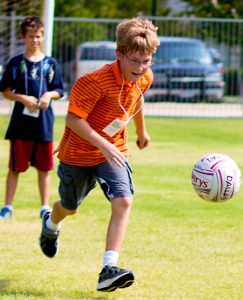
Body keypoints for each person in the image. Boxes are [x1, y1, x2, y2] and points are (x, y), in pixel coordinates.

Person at [39, 18, 160, 292]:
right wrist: (103, 144)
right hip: (78, 154)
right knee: (70, 208)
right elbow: (73, 119)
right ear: (119, 53)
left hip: (114, 151)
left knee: (123, 201)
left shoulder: (144, 76)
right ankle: (50, 223)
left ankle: (108, 269)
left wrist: (141, 131)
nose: (141, 69)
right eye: (135, 61)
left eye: (147, 61)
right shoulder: (93, 81)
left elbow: (138, 97)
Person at [0, 16, 64, 221]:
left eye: (38, 36)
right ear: (22, 37)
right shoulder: (15, 63)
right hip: (21, 125)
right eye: (30, 36)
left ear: (43, 36)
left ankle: (45, 207)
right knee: (15, 167)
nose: (34, 40)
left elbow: (59, 90)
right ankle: (7, 207)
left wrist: (48, 95)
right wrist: (23, 98)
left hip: (43, 125)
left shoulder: (51, 63)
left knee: (45, 168)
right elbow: (5, 90)